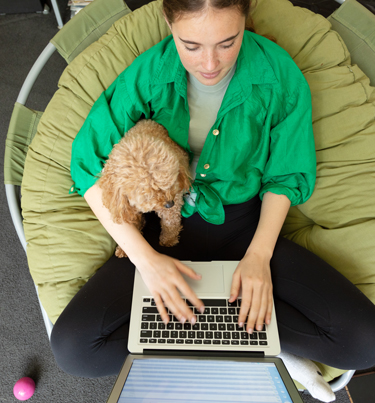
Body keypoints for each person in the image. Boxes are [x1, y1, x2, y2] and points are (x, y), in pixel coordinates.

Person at [51, 0, 375, 401]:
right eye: (191, 45)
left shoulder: (278, 74)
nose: (209, 64)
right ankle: (260, 342)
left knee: (364, 342)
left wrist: (258, 257)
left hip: (242, 231)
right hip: (162, 233)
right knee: (74, 350)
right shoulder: (150, 73)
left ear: (245, 20)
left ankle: (231, 336)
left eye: (227, 42)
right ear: (169, 23)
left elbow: (286, 176)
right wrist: (145, 260)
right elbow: (85, 163)